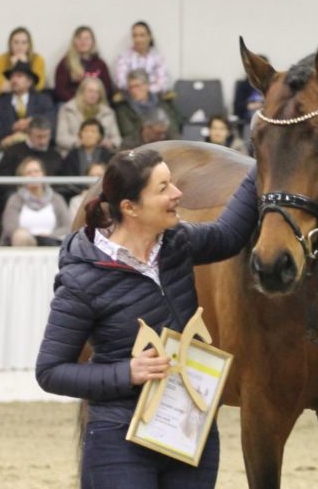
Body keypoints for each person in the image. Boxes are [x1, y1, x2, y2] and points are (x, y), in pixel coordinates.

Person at [36, 147, 258, 488]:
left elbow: (229, 235)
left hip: (187, 430)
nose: (178, 193)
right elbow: (50, 371)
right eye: (164, 187)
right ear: (130, 207)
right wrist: (127, 373)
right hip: (118, 437)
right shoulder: (82, 279)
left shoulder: (176, 243)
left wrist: (266, 156)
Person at [0, 157, 70, 246]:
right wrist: (33, 238)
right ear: (22, 178)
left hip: (51, 243)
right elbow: (10, 228)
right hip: (25, 244)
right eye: (29, 173)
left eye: (36, 171)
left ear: (43, 174)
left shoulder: (57, 199)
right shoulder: (15, 200)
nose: (33, 175)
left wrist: (49, 236)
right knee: (20, 236)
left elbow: (67, 227)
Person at [0, 61, 55, 151]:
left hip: (38, 149)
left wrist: (31, 123)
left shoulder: (43, 101)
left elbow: (50, 125)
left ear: (29, 82)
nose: (14, 80)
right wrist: (13, 127)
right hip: (9, 150)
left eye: (19, 76)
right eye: (12, 77)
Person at [114, 68, 181, 147]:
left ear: (147, 85)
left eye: (137, 86)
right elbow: (128, 132)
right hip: (140, 145)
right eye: (130, 87)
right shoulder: (123, 108)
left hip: (166, 142)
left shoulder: (162, 103)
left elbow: (174, 127)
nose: (133, 90)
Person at [56, 77, 121, 157]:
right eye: (90, 91)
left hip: (101, 154)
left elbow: (117, 139)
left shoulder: (108, 112)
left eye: (97, 92)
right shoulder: (67, 109)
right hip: (73, 154)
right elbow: (61, 138)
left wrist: (109, 143)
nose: (93, 95)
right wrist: (82, 142)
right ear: (82, 92)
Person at [54, 26, 114, 105]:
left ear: (92, 42)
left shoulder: (100, 64)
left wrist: (94, 101)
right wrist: (78, 103)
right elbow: (60, 90)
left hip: (96, 104)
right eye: (79, 38)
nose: (83, 42)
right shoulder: (65, 63)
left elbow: (107, 88)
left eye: (87, 38)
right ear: (74, 41)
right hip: (73, 103)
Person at [114, 21, 170, 97]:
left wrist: (143, 90)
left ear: (149, 37)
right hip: (130, 97)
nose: (138, 39)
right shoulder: (124, 57)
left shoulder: (158, 58)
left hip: (154, 97)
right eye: (135, 36)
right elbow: (121, 83)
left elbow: (162, 84)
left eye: (142, 35)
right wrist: (138, 90)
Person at [0, 27, 47, 95]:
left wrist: (24, 65)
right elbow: (0, 88)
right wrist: (14, 67)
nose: (20, 47)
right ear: (10, 44)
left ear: (29, 45)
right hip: (8, 97)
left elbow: (38, 86)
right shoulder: (1, 59)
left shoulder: (38, 59)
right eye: (16, 42)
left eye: (24, 43)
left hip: (31, 96)